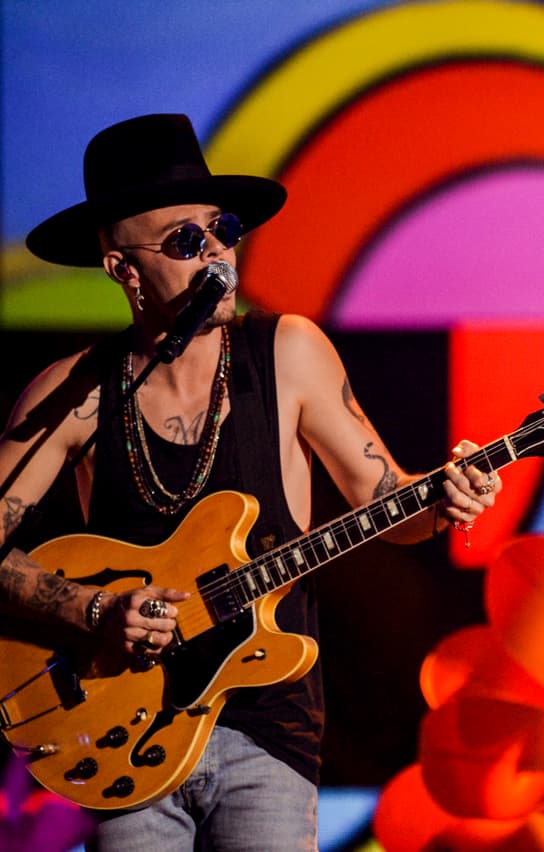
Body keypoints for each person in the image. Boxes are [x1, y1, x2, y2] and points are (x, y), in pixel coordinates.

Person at [0, 113, 501, 850]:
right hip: (117, 737)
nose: (216, 254)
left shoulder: (287, 352)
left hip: (267, 728)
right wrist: (94, 608)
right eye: (184, 240)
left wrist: (442, 497)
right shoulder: (74, 390)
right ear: (122, 268)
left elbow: (387, 505)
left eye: (223, 228)